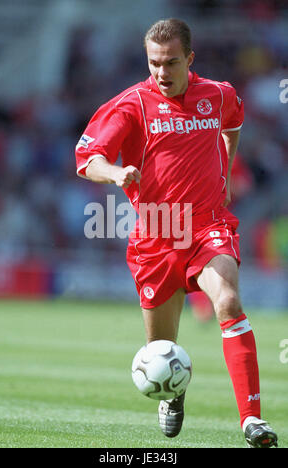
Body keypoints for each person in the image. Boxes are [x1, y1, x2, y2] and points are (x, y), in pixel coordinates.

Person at [75, 18, 278, 448]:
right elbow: (88, 156)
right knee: (161, 349)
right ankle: (173, 389)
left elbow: (234, 119)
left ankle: (252, 420)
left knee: (228, 300)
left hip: (207, 225)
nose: (161, 73)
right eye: (153, 64)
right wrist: (115, 174)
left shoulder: (217, 94)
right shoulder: (131, 104)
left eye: (170, 63)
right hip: (156, 236)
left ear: (190, 58)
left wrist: (225, 168)